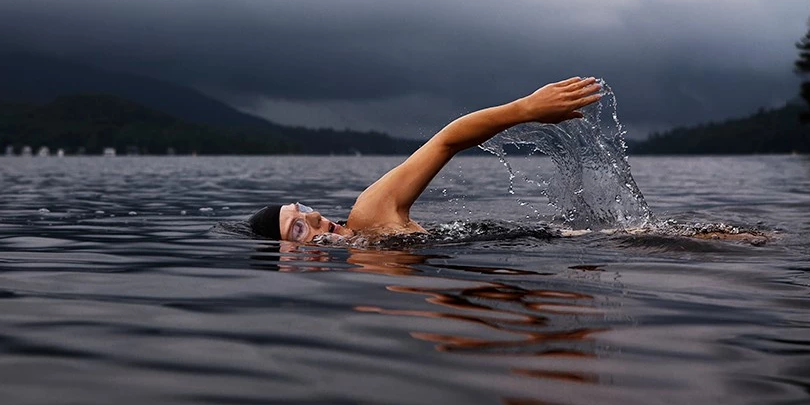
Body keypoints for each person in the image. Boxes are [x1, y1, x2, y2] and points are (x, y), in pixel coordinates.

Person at [250, 77, 604, 242]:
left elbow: (446, 141)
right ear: (289, 260)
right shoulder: (365, 267)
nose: (314, 216)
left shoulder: (369, 215)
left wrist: (525, 109)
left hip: (577, 242)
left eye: (303, 209)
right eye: (298, 228)